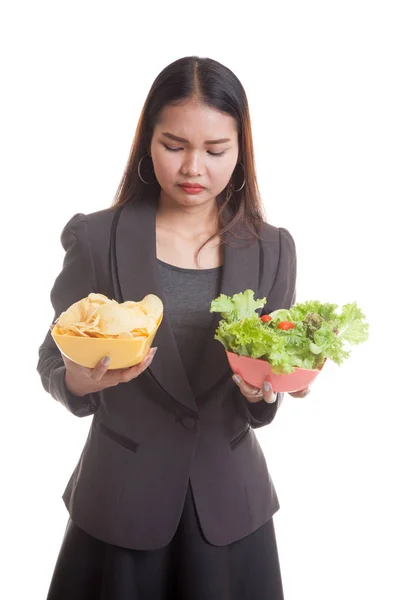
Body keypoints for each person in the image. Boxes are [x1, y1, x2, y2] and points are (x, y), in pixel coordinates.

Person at [37, 55, 309, 600]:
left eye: (215, 151)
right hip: (119, 506)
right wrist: (76, 383)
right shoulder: (97, 237)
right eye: (174, 145)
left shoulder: (272, 249)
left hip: (229, 511)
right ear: (147, 141)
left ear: (241, 150)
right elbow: (53, 356)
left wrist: (267, 391)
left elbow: (262, 400)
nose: (193, 168)